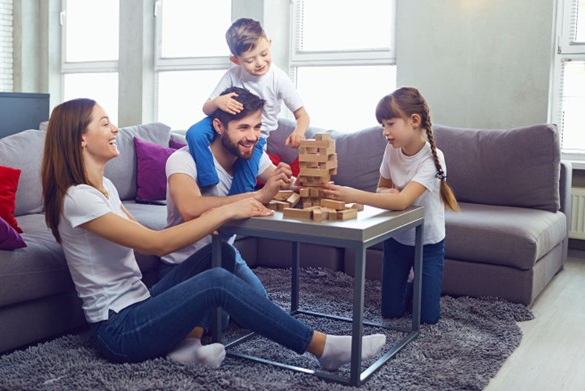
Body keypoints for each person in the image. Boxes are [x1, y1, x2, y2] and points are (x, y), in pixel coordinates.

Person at [41, 98, 387, 371]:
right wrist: (225, 210)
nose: (116, 128)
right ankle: (322, 348)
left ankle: (185, 347)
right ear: (81, 137)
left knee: (215, 255)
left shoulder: (104, 188)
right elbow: (155, 243)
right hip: (117, 330)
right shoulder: (77, 198)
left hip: (139, 304)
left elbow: (145, 233)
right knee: (218, 282)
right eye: (105, 123)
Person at [321, 87, 460, 324]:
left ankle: (422, 290)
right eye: (382, 125)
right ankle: (412, 291)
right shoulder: (391, 150)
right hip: (397, 239)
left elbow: (401, 200)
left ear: (414, 121)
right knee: (391, 312)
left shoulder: (433, 157)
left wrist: (353, 194)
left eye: (390, 124)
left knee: (427, 317)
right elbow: (382, 189)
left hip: (428, 242)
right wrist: (390, 195)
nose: (385, 132)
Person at [162, 86, 292, 299]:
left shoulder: (252, 156)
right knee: (219, 319)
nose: (252, 136)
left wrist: (294, 180)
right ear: (218, 126)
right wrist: (259, 195)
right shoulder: (182, 159)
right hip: (183, 263)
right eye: (243, 128)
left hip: (224, 254)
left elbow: (284, 183)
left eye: (257, 127)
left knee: (259, 300)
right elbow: (190, 208)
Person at [186, 17, 310, 194]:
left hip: (255, 137)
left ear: (269, 43)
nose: (259, 63)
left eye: (264, 54)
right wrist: (217, 102)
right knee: (194, 133)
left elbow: (303, 115)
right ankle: (209, 179)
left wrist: (299, 132)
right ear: (236, 60)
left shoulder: (278, 79)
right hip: (223, 126)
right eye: (250, 60)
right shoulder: (232, 75)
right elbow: (206, 108)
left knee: (244, 178)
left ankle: (238, 202)